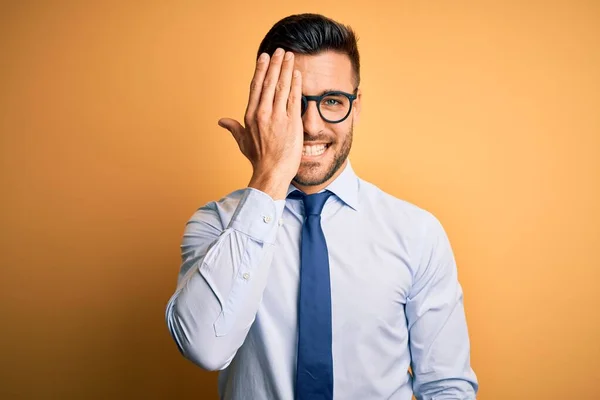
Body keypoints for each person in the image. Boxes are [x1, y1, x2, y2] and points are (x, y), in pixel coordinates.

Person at [165, 13, 478, 400]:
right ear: (263, 110)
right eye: (292, 103)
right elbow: (204, 348)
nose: (312, 125)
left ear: (356, 107)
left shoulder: (417, 234)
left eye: (332, 101)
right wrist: (270, 177)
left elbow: (446, 387)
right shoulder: (216, 224)